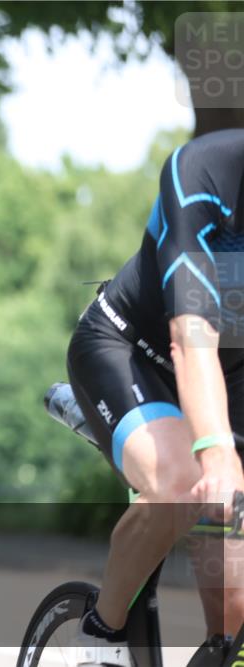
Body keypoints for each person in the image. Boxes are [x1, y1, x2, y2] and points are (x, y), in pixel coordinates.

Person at [66, 129, 244, 666]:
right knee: (185, 485)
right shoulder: (203, 173)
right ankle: (101, 634)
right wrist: (215, 453)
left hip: (233, 378)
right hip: (130, 351)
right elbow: (191, 339)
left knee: (233, 619)